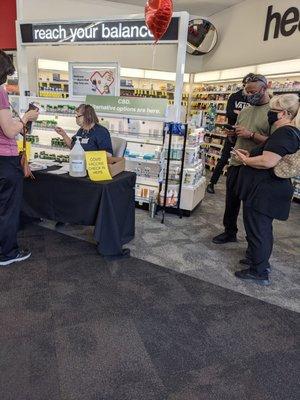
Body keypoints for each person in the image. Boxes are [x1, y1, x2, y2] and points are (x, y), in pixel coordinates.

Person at [233, 94, 300, 285]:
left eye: (274, 111)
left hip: (265, 190)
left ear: (285, 113)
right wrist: (252, 154)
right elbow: (269, 155)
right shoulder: (288, 132)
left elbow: (267, 161)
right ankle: (258, 260)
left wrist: (246, 160)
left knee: (258, 230)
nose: (270, 114)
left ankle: (259, 271)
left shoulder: (284, 133)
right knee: (262, 228)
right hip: (268, 189)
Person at [212, 73, 275, 244]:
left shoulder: (274, 112)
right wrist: (232, 135)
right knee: (231, 201)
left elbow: (277, 142)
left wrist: (251, 135)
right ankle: (229, 232)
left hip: (256, 166)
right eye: (247, 92)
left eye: (253, 91)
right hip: (236, 161)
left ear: (265, 88)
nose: (249, 95)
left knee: (251, 208)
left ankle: (253, 245)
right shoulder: (245, 110)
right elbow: (237, 137)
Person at [0, 50, 39, 266]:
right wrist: (26, 118)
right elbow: (8, 130)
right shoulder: (0, 93)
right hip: (5, 160)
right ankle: (7, 253)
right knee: (8, 208)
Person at [207, 73, 253, 194]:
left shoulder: (254, 99)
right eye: (246, 86)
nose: (248, 91)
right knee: (223, 159)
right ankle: (212, 183)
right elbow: (229, 114)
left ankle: (243, 188)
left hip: (248, 135)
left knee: (247, 160)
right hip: (232, 134)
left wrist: (239, 112)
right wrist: (242, 113)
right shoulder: (235, 96)